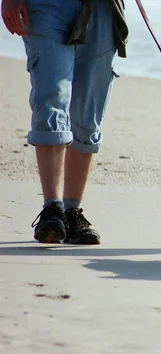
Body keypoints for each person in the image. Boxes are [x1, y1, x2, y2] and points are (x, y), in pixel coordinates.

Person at [1, 0, 128, 244]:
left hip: (104, 7)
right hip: (46, 5)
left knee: (87, 111)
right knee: (52, 96)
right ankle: (52, 209)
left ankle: (72, 211)